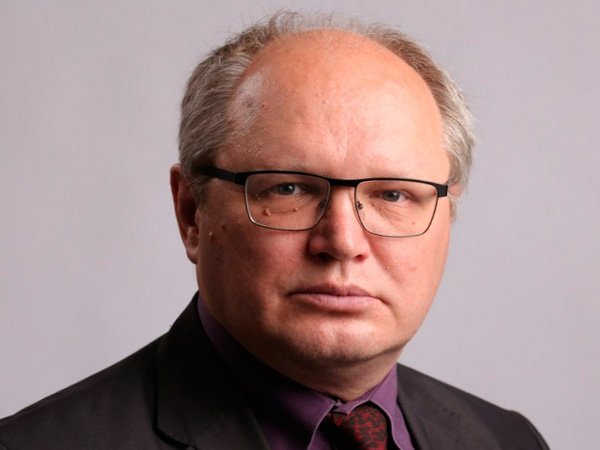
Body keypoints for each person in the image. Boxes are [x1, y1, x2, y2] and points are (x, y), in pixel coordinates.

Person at [0, 11, 549, 450]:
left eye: (392, 195)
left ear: (447, 215)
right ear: (192, 213)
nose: (343, 243)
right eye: (288, 188)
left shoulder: (507, 440)